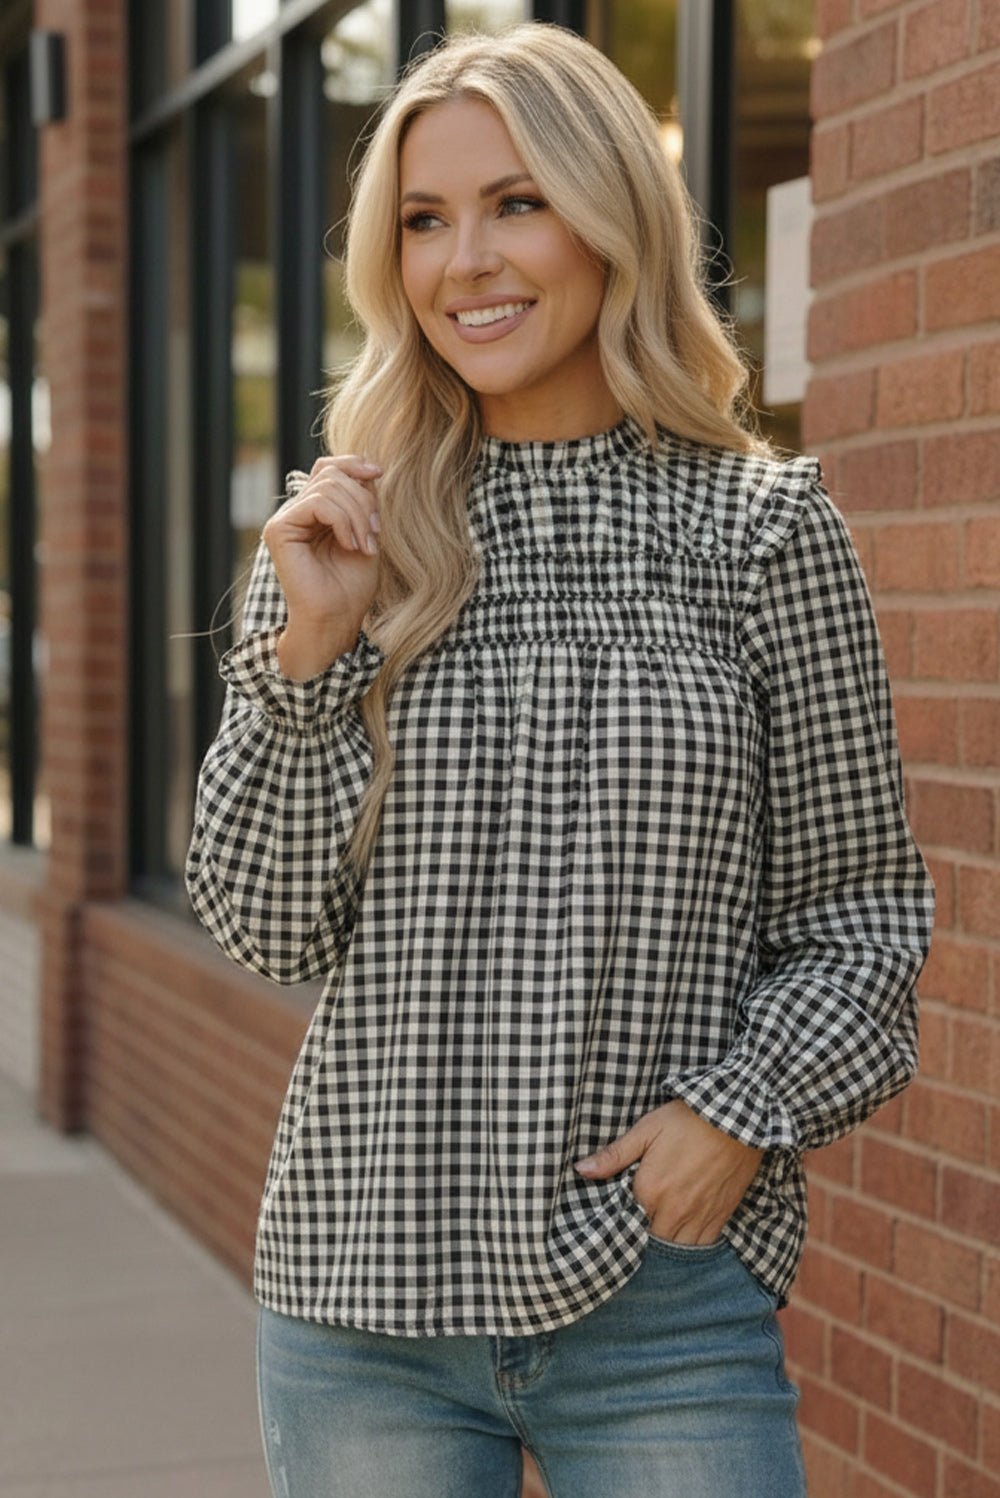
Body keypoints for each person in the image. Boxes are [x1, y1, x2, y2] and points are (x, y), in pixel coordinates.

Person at [186, 23, 934, 1498]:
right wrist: (308, 659)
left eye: (516, 202)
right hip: (361, 1303)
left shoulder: (764, 536)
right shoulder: (343, 536)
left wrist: (737, 1111)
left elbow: (861, 925)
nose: (465, 260)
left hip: (661, 1305)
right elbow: (267, 927)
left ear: (610, 220)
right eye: (423, 219)